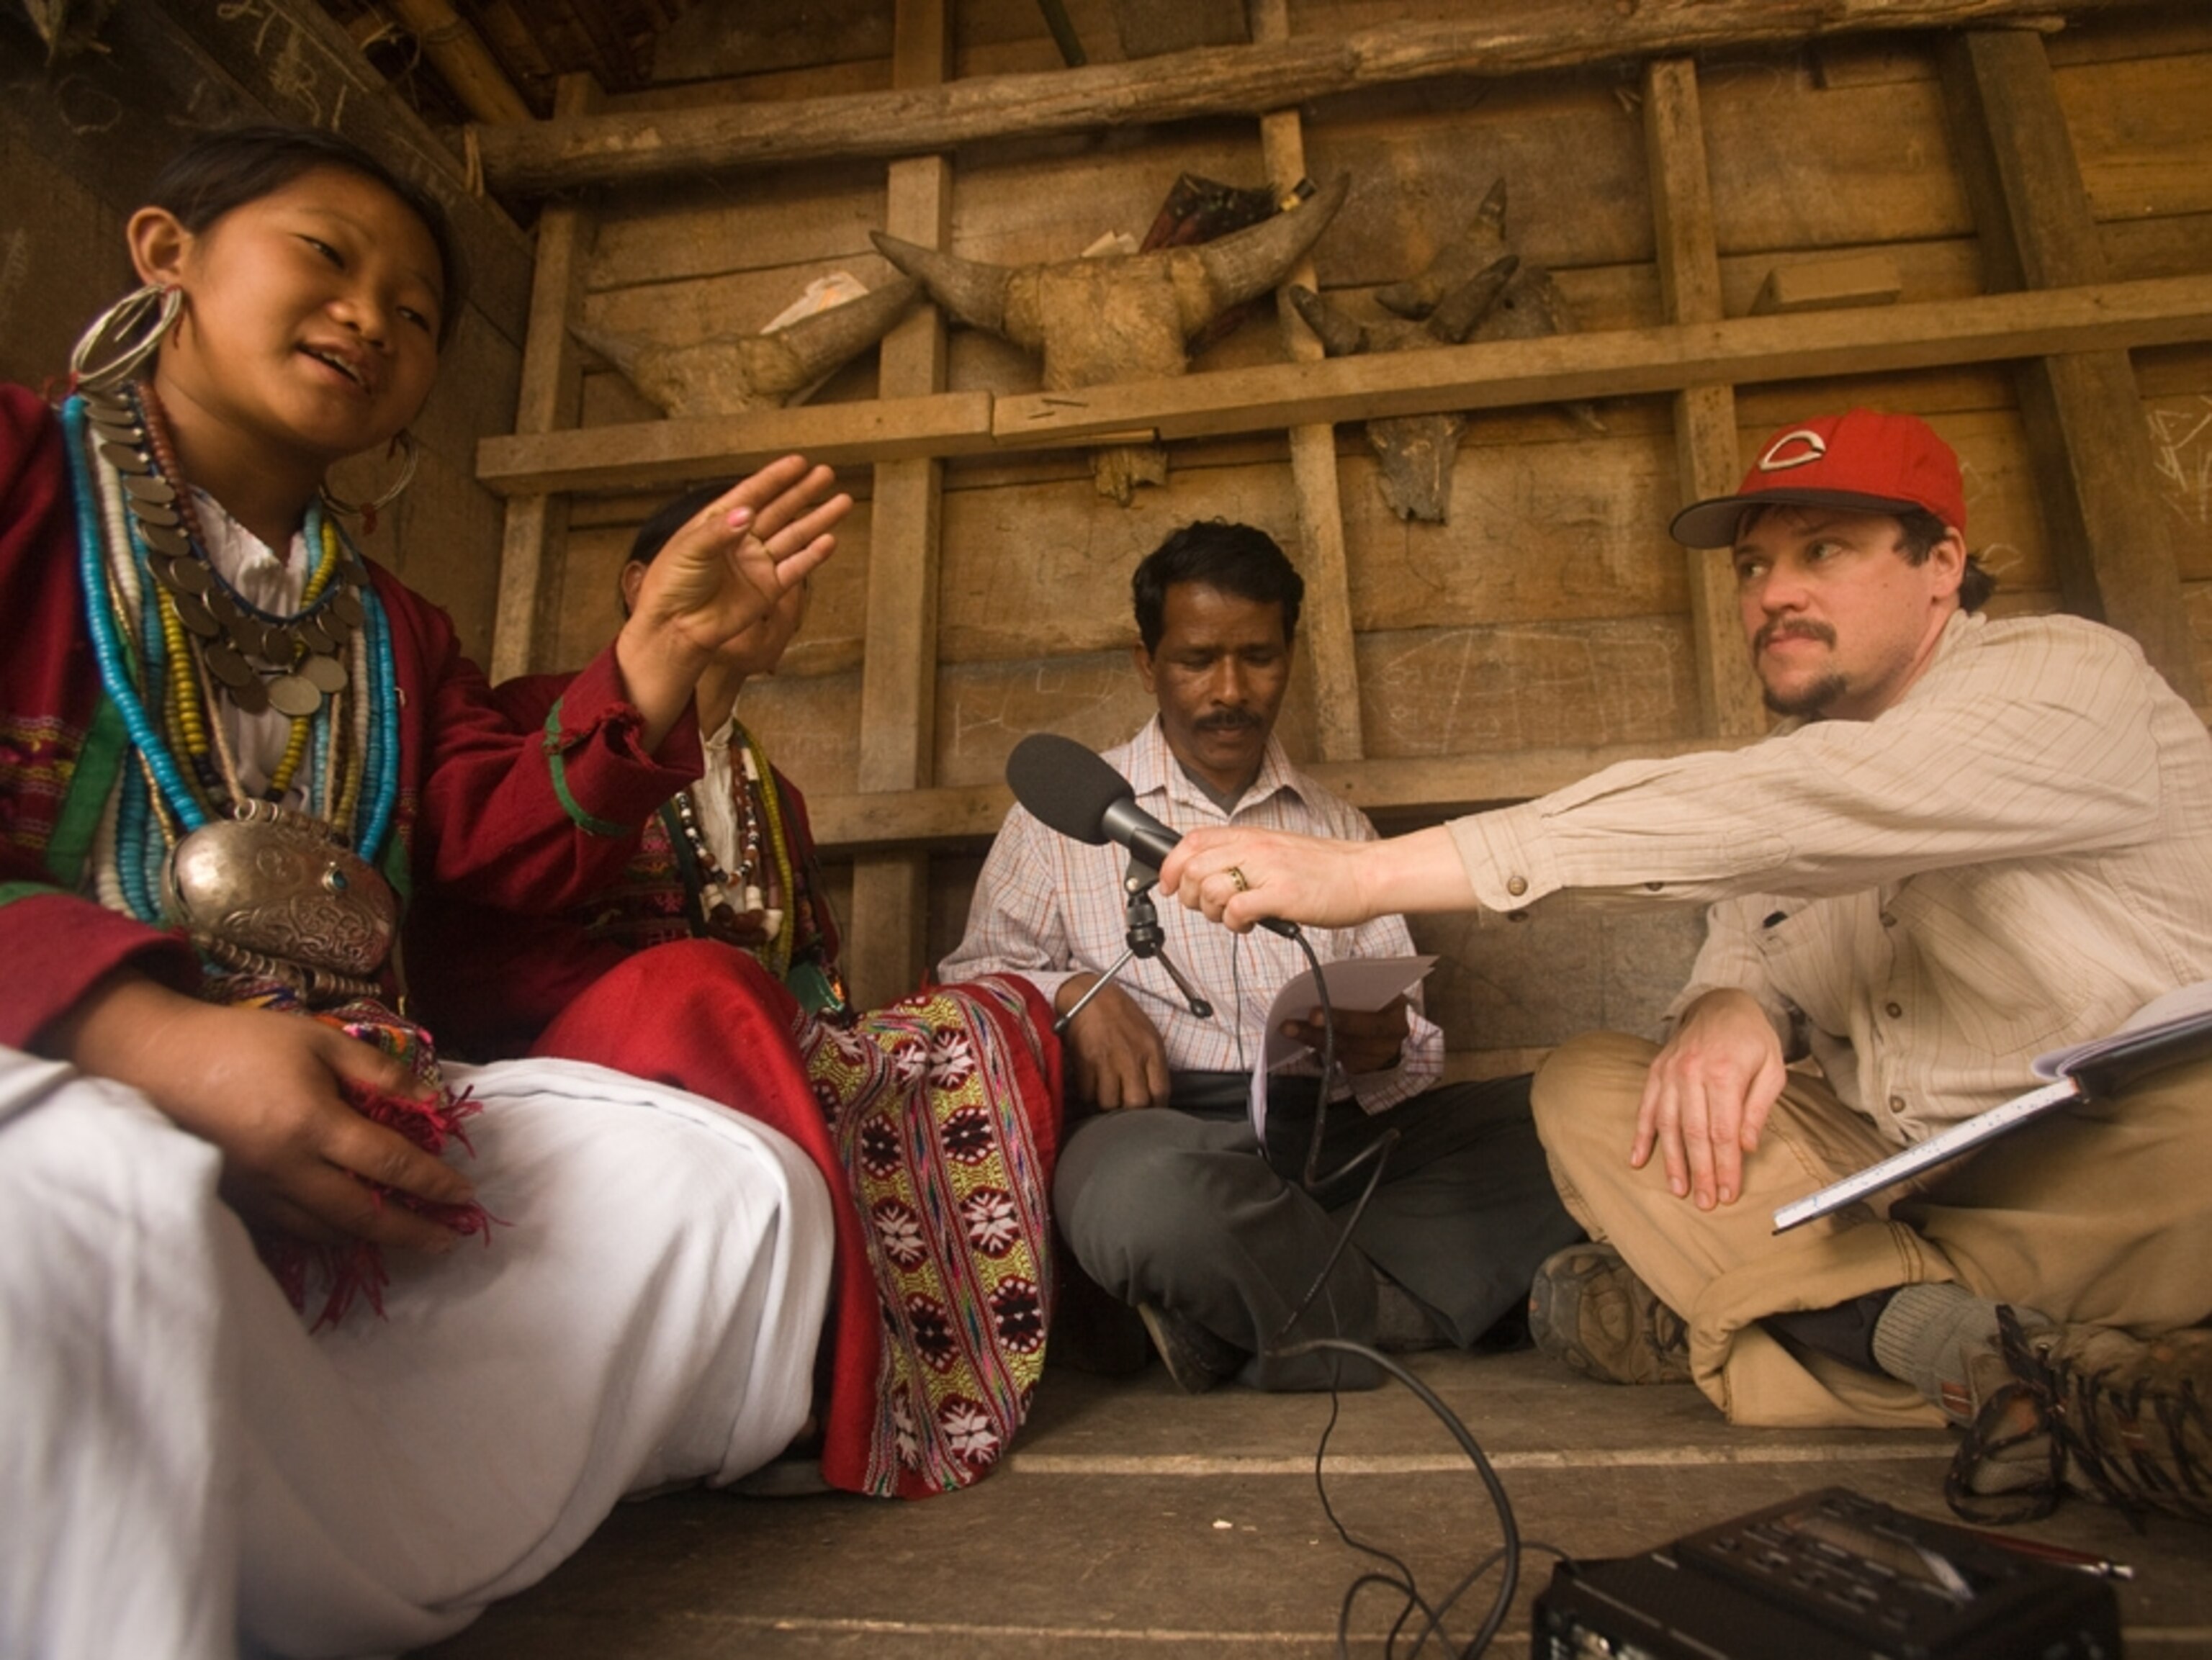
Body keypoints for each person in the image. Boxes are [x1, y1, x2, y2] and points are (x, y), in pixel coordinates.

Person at [0, 125, 858, 1658]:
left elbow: (496, 835)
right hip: (55, 1043)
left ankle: (282, 1512)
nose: (370, 319)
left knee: (728, 1198)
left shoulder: (390, 627)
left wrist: (659, 668)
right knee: (99, 1203)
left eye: (414, 314)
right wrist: (164, 1043)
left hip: (338, 1074)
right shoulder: (15, 478)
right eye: (328, 257)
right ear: (164, 253)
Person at [1151, 410, 2212, 1523]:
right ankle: (1996, 1356)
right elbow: (1748, 922)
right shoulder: (1787, 772)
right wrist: (1731, 1004)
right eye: (1755, 565)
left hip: (2113, 1167)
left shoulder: (2072, 682)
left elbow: (1804, 812)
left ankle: (1797, 1321)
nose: (1772, 593)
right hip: (1896, 1179)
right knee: (1597, 1087)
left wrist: (1363, 878)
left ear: (1942, 565)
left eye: (1824, 552)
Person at [408, 482, 1064, 1500]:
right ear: (642, 584)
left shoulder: (771, 788)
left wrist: (831, 1031)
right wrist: (699, 989)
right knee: (703, 987)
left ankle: (920, 1355)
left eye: (789, 577)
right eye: (731, 559)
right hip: (577, 1045)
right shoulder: (535, 715)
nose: (765, 592)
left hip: (760, 1047)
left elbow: (812, 966)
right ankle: (829, 1380)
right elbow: (479, 932)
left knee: (998, 1014)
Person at [941, 521, 1579, 1392]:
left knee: (1560, 1117)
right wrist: (1069, 993)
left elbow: (1411, 1060)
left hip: (1328, 1137)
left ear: (1292, 654)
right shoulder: (1065, 817)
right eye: (1197, 658)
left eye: (1260, 657)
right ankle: (1385, 1306)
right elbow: (969, 983)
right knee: (1141, 1199)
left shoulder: (1336, 826)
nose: (1231, 690)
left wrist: (1384, 1043)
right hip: (1159, 1130)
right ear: (1146, 661)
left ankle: (1238, 1314)